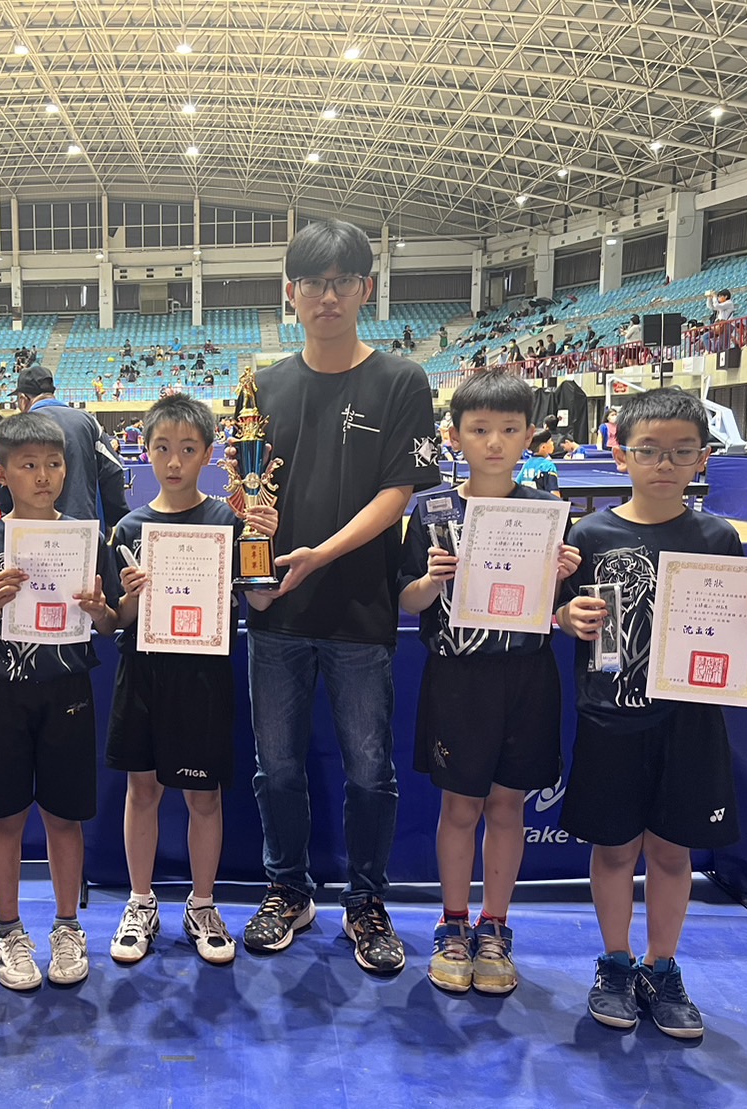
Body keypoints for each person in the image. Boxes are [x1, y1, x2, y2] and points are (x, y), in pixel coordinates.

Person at [556, 387, 747, 1039]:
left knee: (670, 852)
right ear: (619, 454)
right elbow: (565, 613)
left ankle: (661, 968)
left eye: (681, 451)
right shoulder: (589, 534)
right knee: (612, 851)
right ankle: (614, 963)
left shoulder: (717, 536)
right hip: (610, 718)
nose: (664, 464)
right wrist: (565, 615)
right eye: (649, 450)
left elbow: (741, 626)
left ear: (702, 458)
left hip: (689, 723)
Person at [241, 218, 440, 972]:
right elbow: (251, 492)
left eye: (342, 282)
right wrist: (253, 563)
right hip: (277, 613)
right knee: (277, 768)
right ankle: (287, 890)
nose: (327, 297)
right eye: (313, 283)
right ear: (290, 292)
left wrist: (321, 554)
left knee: (368, 772)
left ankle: (365, 902)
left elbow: (399, 492)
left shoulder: (401, 380)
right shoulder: (262, 387)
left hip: (361, 610)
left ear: (365, 289)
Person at [398, 370, 580, 994]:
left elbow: (557, 611)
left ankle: (495, 926)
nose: (494, 442)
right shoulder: (432, 511)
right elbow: (407, 600)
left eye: (508, 429)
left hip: (527, 676)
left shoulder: (547, 513)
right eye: (479, 430)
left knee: (507, 806)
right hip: (458, 677)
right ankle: (453, 924)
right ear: (454, 436)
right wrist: (432, 580)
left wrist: (561, 577)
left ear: (530, 435)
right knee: (460, 806)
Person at [105, 395, 278, 967]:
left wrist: (261, 542)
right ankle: (140, 902)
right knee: (142, 791)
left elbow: (260, 599)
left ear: (209, 455)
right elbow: (118, 620)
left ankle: (203, 904)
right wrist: (131, 598)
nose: (174, 461)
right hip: (144, 674)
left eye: (187, 449)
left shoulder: (230, 521)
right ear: (145, 451)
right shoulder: (129, 528)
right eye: (162, 448)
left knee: (204, 796)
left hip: (204, 676)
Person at [0, 412, 121, 991]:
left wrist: (101, 611)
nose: (43, 476)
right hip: (2, 695)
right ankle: (7, 930)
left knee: (64, 818)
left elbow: (109, 626)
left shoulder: (86, 540)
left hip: (68, 692)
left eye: (53, 464)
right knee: (5, 818)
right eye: (28, 465)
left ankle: (67, 925)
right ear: (1, 474)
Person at [10, 365, 128, 530]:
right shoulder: (88, 421)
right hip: (84, 529)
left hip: (30, 531)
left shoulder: (15, 428)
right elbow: (113, 470)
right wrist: (111, 519)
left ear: (23, 399)